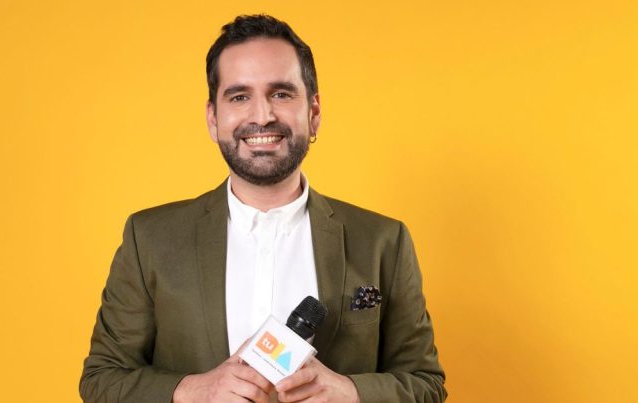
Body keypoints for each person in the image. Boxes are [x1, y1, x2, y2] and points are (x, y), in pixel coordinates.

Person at [80, 14, 446, 403]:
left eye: (281, 94)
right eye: (239, 97)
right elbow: (102, 379)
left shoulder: (384, 241)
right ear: (213, 118)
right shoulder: (149, 238)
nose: (262, 116)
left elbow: (426, 384)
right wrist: (194, 390)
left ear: (314, 112)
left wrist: (350, 391)